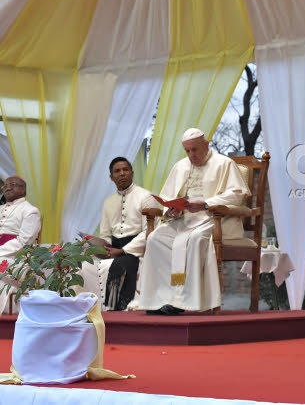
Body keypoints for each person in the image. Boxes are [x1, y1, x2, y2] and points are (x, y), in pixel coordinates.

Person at [138, 128, 249, 315]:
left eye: (195, 150)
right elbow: (168, 196)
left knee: (195, 239)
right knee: (155, 238)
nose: (191, 155)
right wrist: (170, 210)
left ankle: (185, 301)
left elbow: (237, 195)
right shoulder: (180, 166)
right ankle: (159, 299)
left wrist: (206, 204)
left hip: (213, 219)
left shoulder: (224, 163)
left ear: (206, 144)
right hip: (183, 220)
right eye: (187, 151)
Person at [89, 157, 159, 311]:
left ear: (132, 173)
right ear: (111, 177)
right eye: (117, 171)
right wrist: (103, 248)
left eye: (125, 170)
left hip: (137, 250)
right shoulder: (108, 202)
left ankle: (116, 306)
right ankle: (93, 307)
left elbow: (150, 230)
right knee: (86, 265)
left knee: (120, 265)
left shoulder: (145, 197)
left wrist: (123, 251)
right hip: (114, 249)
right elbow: (106, 233)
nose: (122, 174)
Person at [0, 176, 41, 313]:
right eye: (5, 185)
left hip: (15, 256)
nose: (8, 187)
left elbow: (24, 241)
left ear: (23, 189)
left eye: (12, 184)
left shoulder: (30, 210)